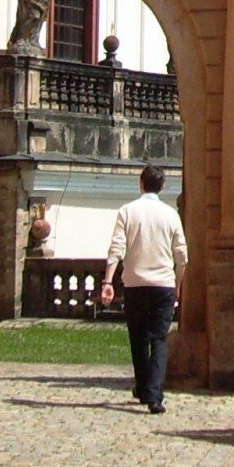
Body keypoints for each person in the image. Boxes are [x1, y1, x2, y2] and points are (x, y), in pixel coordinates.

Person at [99, 164, 188, 414]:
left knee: (138, 339)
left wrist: (108, 281)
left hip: (135, 283)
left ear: (141, 183)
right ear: (162, 187)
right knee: (159, 340)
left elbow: (116, 249)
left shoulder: (128, 211)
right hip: (163, 284)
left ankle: (143, 386)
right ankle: (154, 395)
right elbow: (182, 256)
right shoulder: (170, 215)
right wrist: (178, 284)